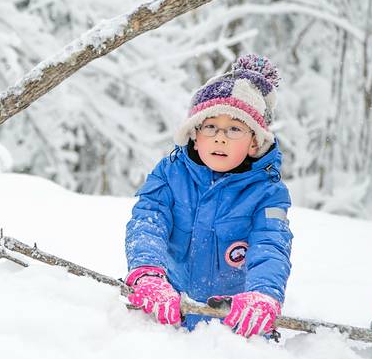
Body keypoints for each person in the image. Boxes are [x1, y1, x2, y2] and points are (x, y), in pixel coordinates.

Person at [124, 54, 293, 338]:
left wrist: (264, 293)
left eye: (234, 129)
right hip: (167, 316)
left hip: (232, 326)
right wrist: (148, 272)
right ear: (194, 134)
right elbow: (148, 222)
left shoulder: (267, 193)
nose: (220, 137)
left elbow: (271, 243)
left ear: (254, 142)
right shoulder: (170, 174)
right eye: (210, 126)